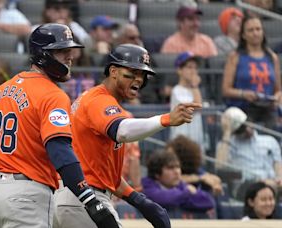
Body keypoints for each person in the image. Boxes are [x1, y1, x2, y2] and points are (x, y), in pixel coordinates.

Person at [0, 23, 119, 228]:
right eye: (62, 52)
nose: (70, 57)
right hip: (25, 196)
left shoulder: (0, 91)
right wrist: (89, 200)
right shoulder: (53, 95)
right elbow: (60, 151)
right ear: (43, 55)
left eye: (69, 51)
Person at [54, 44, 202, 228]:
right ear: (114, 71)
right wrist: (166, 119)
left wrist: (138, 200)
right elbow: (122, 131)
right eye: (132, 72)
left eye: (142, 74)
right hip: (83, 199)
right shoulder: (99, 100)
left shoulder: (99, 100)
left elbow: (103, 173)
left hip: (77, 198)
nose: (138, 79)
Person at [222, 15, 282, 129]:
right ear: (243, 35)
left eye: (258, 29)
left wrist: (278, 97)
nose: (255, 33)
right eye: (251, 30)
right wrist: (243, 94)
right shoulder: (235, 57)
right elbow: (225, 90)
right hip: (244, 109)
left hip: (267, 110)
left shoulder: (272, 57)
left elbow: (278, 89)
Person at [216, 107, 282, 187]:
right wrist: (227, 132)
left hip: (273, 184)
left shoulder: (269, 140)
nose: (248, 130)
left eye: (246, 123)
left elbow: (278, 165)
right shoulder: (228, 145)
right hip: (248, 186)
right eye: (242, 128)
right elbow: (219, 166)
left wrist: (279, 179)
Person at [142, 150, 215, 212]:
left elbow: (208, 202)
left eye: (178, 167)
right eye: (170, 168)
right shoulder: (147, 186)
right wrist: (188, 193)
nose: (177, 172)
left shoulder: (181, 185)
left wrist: (179, 197)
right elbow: (163, 199)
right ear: (156, 174)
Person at [169, 51, 204, 148]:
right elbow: (197, 106)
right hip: (181, 142)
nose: (193, 71)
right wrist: (195, 86)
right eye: (189, 67)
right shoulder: (177, 90)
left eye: (195, 68)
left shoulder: (195, 90)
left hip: (196, 141)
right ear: (179, 70)